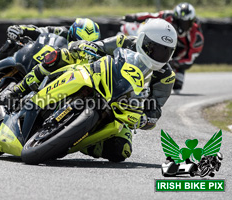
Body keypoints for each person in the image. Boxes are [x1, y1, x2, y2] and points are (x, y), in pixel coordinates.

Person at [10, 18, 177, 162]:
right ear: (142, 39)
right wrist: (84, 46)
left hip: (122, 108)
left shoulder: (166, 77)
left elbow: (155, 107)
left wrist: (146, 118)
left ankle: (74, 140)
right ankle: (22, 87)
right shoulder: (124, 42)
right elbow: (98, 46)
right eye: (153, 47)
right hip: (99, 80)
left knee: (121, 150)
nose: (158, 55)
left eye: (165, 51)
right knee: (62, 55)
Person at [0, 18, 101, 80]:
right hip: (38, 56)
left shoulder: (91, 55)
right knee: (12, 42)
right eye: (75, 39)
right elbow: (40, 30)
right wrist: (21, 29)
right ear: (71, 34)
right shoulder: (62, 31)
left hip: (54, 73)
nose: (77, 44)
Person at [123, 2, 204, 94]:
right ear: (175, 18)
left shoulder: (197, 36)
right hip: (164, 47)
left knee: (177, 86)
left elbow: (190, 59)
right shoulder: (167, 16)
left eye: (185, 23)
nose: (182, 26)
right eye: (179, 22)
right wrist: (134, 17)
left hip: (179, 56)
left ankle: (175, 72)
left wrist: (175, 63)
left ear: (191, 23)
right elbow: (151, 16)